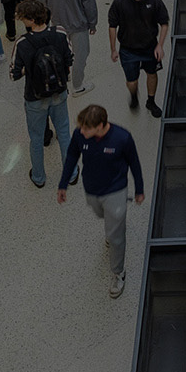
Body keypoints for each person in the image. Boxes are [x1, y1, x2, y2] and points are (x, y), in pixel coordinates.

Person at [58, 104, 146, 299]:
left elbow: (135, 163)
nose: (81, 131)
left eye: (86, 128)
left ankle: (118, 272)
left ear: (100, 126)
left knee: (115, 236)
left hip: (115, 190)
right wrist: (63, 184)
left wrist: (139, 189)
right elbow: (72, 155)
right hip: (92, 189)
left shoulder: (122, 138)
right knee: (100, 214)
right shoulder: (80, 135)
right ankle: (113, 228)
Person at [11, 0, 75, 188]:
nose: (22, 22)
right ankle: (71, 174)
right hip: (59, 93)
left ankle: (39, 177)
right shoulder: (60, 33)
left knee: (36, 138)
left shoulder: (22, 43)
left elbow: (13, 73)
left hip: (35, 97)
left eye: (23, 18)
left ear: (31, 20)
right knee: (64, 133)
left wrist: (27, 69)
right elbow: (69, 59)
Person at [109, 0, 170, 116]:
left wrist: (160, 45)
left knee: (152, 74)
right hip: (128, 50)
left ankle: (151, 101)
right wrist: (113, 49)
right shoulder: (120, 2)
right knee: (132, 81)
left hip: (150, 48)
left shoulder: (154, 1)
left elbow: (164, 23)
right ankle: (134, 95)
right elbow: (112, 26)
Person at [43, 0, 99, 96]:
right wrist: (92, 24)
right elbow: (90, 6)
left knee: (60, 53)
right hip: (78, 25)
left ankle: (64, 76)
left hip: (57, 23)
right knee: (81, 55)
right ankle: (77, 86)